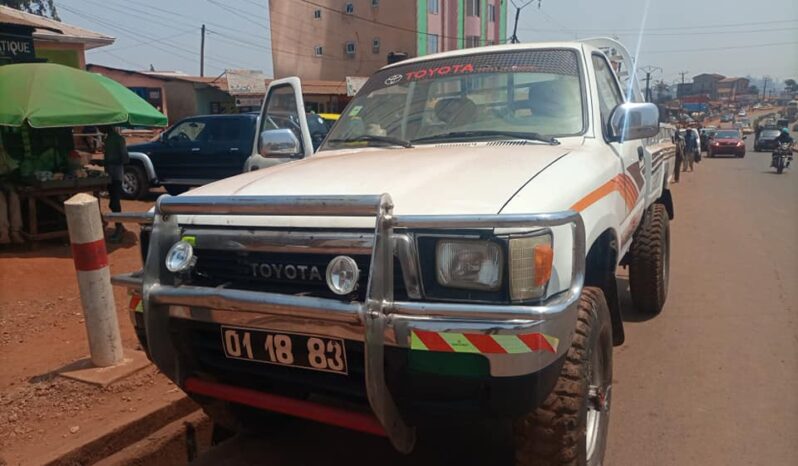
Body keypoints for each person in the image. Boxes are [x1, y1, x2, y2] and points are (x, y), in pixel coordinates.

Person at [102, 126, 129, 242]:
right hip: (110, 175)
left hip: (116, 175)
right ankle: (120, 226)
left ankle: (119, 229)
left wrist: (108, 161)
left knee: (115, 202)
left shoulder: (118, 139)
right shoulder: (107, 139)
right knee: (112, 203)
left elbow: (125, 159)